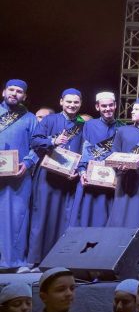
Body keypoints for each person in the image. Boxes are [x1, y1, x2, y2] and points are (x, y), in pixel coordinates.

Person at [27, 88, 85, 267]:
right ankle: (36, 259)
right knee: (42, 215)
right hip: (47, 175)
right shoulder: (50, 120)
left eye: (76, 102)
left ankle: (59, 259)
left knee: (65, 218)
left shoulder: (83, 125)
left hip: (69, 178)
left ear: (80, 104)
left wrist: (79, 170)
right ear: (61, 102)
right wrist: (53, 141)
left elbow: (86, 151)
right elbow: (35, 141)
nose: (72, 105)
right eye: (69, 101)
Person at [69, 91, 118, 229]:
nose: (107, 109)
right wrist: (82, 171)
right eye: (104, 106)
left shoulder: (122, 127)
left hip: (111, 180)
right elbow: (85, 148)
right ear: (97, 107)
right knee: (85, 217)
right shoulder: (89, 125)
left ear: (115, 105)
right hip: (90, 178)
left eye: (110, 105)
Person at [107, 98, 139, 229]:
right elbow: (114, 152)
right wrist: (118, 165)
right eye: (132, 109)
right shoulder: (122, 130)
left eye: (136, 109)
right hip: (123, 177)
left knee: (137, 215)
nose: (132, 111)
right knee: (118, 214)